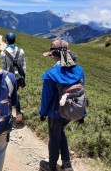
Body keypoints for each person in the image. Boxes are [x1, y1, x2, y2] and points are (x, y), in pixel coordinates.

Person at [39, 40, 85, 171]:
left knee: (54, 139)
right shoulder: (79, 70)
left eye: (51, 55)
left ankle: (51, 166)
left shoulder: (51, 74)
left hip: (56, 113)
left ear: (54, 55)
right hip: (71, 112)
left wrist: (42, 113)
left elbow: (46, 98)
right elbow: (81, 92)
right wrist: (82, 114)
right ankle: (67, 164)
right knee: (60, 132)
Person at [0, 32, 26, 122]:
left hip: (8, 77)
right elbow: (23, 66)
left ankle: (9, 114)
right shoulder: (21, 51)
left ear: (6, 41)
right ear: (15, 40)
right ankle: (18, 112)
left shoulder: (4, 53)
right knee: (15, 92)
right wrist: (23, 79)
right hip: (19, 77)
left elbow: (3, 68)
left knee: (8, 94)